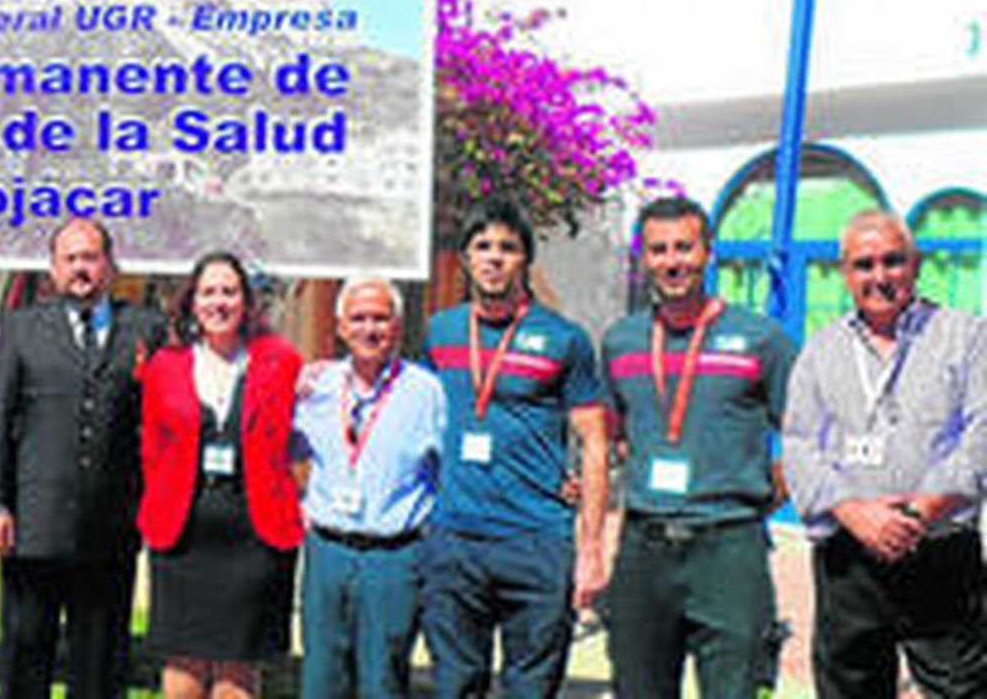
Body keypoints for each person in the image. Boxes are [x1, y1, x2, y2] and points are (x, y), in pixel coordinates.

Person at [782, 210, 987, 698]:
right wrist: (853, 512)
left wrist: (918, 512)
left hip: (938, 552)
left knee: (962, 689)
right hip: (850, 560)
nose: (880, 276)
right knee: (849, 687)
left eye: (892, 261)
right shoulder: (821, 349)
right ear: (845, 273)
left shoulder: (966, 336)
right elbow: (799, 442)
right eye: (864, 264)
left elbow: (981, 434)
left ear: (915, 265)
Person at [600, 195, 796, 698]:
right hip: (643, 545)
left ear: (709, 253)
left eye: (684, 248)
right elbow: (610, 434)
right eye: (659, 250)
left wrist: (769, 489)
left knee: (734, 689)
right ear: (644, 260)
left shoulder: (761, 338)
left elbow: (806, 433)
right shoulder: (621, 342)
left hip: (729, 545)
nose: (672, 262)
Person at [419, 198, 610, 698]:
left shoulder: (563, 339)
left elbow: (594, 442)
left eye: (508, 247)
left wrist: (591, 549)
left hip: (537, 542)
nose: (494, 257)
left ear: (526, 259)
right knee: (455, 685)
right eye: (482, 246)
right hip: (455, 539)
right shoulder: (440, 331)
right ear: (465, 258)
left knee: (531, 689)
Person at [0, 218, 167, 698]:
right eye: (71, 259)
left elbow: (167, 418)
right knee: (26, 658)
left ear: (110, 264)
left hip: (109, 527)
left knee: (101, 667)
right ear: (53, 268)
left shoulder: (147, 329)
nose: (81, 269)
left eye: (91, 257)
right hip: (33, 526)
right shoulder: (20, 328)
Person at [136, 251, 303, 699]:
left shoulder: (280, 362)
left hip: (254, 535)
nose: (219, 302)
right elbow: (152, 447)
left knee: (238, 668)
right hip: (183, 535)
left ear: (246, 301)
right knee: (183, 662)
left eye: (229, 291)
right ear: (192, 302)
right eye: (208, 292)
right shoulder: (164, 367)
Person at [290, 277, 444, 699]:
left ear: (397, 326)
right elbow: (278, 449)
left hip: (393, 558)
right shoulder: (315, 387)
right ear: (341, 327)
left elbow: (450, 472)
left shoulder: (426, 391)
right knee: (321, 680)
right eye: (358, 318)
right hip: (327, 552)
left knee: (383, 682)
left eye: (380, 318)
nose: (369, 329)